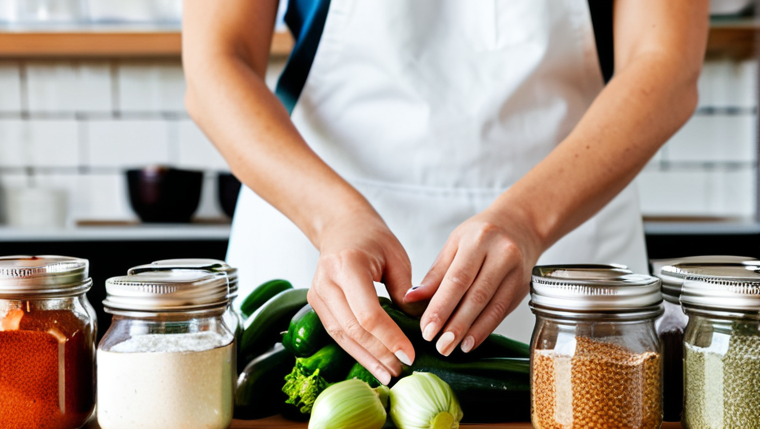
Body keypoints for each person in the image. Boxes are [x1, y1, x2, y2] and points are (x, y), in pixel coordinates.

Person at [183, 0, 708, 385]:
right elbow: (216, 62)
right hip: (317, 227)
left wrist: (527, 219)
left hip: (564, 239)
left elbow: (666, 63)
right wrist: (332, 217)